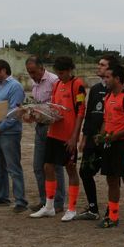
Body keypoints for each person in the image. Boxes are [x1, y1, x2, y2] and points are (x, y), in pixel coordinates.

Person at [30, 55, 86, 221]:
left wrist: (74, 137)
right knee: (48, 166)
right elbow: (53, 107)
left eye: (62, 73)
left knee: (70, 168)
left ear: (70, 70)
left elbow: (81, 112)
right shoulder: (57, 85)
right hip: (54, 132)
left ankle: (72, 208)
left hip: (68, 135)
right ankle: (49, 206)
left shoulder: (78, 85)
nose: (60, 76)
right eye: (58, 73)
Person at [96, 63, 124, 232]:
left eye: (108, 77)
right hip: (110, 144)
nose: (105, 80)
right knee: (111, 180)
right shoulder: (108, 97)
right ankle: (112, 217)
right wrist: (101, 136)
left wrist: (115, 136)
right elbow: (106, 120)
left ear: (117, 78)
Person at [75, 54, 119, 220]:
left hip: (109, 140)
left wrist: (105, 134)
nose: (98, 67)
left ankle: (112, 211)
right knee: (85, 172)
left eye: (102, 65)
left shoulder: (116, 89)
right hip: (92, 140)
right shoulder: (94, 89)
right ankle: (93, 209)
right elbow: (89, 115)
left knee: (112, 177)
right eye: (98, 64)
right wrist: (84, 137)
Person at [26, 56, 66, 213]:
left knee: (55, 166)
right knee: (38, 166)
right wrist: (30, 113)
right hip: (40, 127)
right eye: (29, 72)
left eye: (33, 71)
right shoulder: (34, 83)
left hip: (53, 127)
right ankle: (45, 201)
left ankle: (58, 202)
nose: (31, 75)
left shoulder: (53, 80)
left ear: (41, 68)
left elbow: (58, 105)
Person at [0, 59, 27, 211]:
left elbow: (15, 112)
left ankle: (20, 201)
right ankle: (2, 196)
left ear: (3, 71)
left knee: (13, 167)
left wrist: (1, 127)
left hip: (9, 133)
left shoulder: (15, 87)